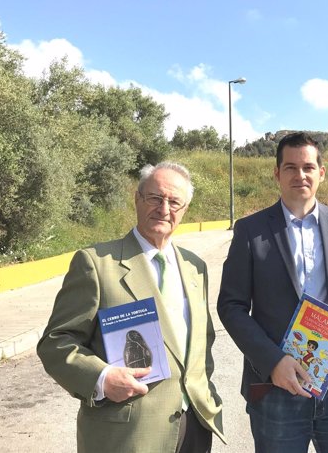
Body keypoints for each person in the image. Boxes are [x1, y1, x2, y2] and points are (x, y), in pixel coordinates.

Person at [37, 162, 224, 453]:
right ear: (137, 199)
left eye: (174, 202)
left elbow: (202, 342)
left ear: (185, 209)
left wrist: (203, 393)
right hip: (127, 434)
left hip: (194, 428)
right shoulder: (96, 263)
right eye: (155, 198)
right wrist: (101, 378)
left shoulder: (194, 267)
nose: (164, 209)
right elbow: (56, 342)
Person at [217, 131, 328, 453]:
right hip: (276, 388)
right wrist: (273, 361)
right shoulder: (251, 230)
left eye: (308, 167)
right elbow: (231, 306)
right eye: (290, 167)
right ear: (277, 173)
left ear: (321, 173)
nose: (299, 175)